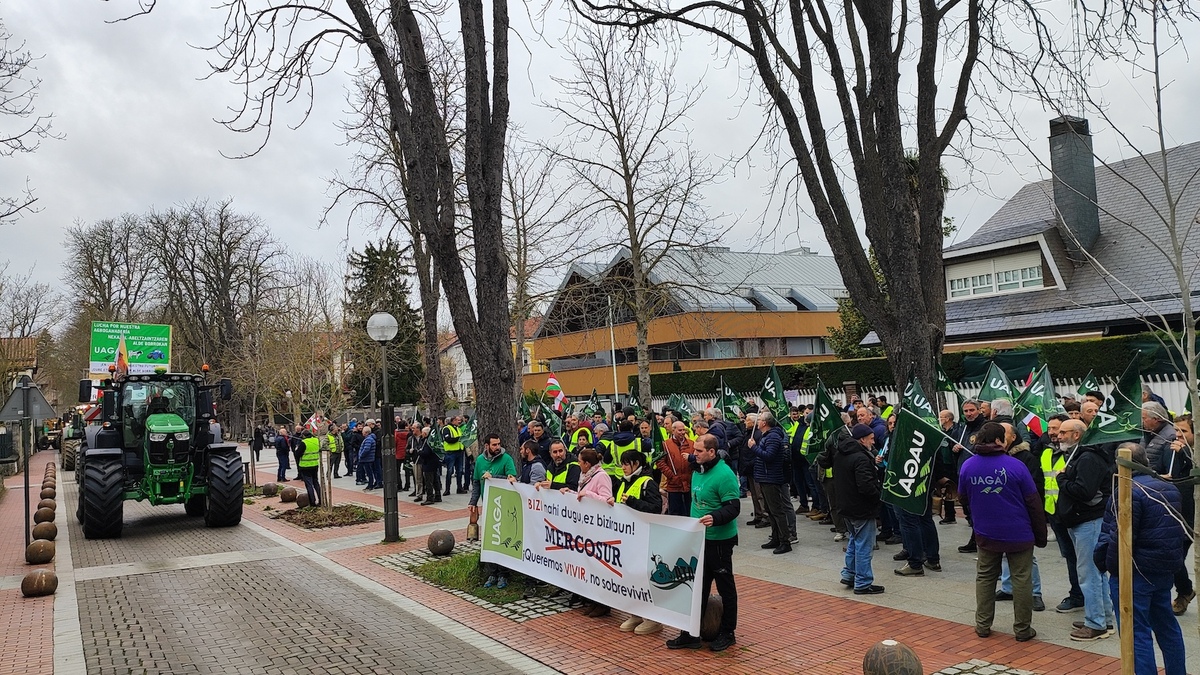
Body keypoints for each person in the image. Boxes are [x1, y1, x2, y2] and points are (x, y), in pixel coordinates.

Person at [1095, 442, 1188, 675]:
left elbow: (1120, 537)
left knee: (1136, 633)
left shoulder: (1128, 490)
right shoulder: (1167, 487)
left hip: (1135, 570)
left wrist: (1111, 568)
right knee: (1167, 627)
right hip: (1162, 570)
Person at [958, 422, 1046, 641]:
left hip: (986, 532)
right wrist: (1040, 533)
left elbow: (963, 498)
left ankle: (983, 625)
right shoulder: (1016, 466)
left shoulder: (968, 466)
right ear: (999, 441)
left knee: (986, 578)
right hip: (1019, 532)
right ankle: (1022, 629)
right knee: (1022, 579)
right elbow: (1033, 502)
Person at [665, 433, 740, 652]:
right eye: (694, 450)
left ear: (711, 452)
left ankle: (728, 632)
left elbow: (734, 507)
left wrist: (716, 517)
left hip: (719, 541)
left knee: (726, 588)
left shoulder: (724, 474)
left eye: (698, 451)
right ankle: (691, 633)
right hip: (698, 540)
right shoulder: (698, 469)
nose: (693, 454)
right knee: (697, 587)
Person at [1056, 418, 1116, 641]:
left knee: (1089, 574)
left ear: (1077, 435)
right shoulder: (1081, 455)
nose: (1058, 436)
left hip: (1088, 522)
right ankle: (1103, 618)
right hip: (1083, 520)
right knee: (1095, 573)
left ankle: (1096, 623)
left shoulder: (1088, 457)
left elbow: (1084, 491)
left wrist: (1062, 479)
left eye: (1063, 432)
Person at [994, 422, 1046, 612]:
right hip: (1002, 513)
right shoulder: (995, 457)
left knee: (1027, 556)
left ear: (1013, 437)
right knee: (1005, 552)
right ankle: (1008, 587)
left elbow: (1034, 488)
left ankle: (1035, 593)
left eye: (1003, 433)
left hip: (1021, 513)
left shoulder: (1026, 458)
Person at [611, 450, 664, 635]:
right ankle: (635, 613)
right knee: (630, 576)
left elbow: (656, 508)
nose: (623, 467)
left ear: (635, 464)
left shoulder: (647, 482)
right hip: (626, 539)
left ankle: (653, 619)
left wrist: (633, 502)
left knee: (644, 577)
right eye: (622, 464)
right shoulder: (624, 482)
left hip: (643, 538)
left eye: (626, 464)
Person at [561, 448, 614, 618]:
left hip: (599, 528)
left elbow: (607, 501)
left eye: (580, 461)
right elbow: (581, 495)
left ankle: (604, 603)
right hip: (586, 527)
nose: (578, 464)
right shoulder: (586, 475)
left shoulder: (601, 476)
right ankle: (593, 600)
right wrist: (571, 494)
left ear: (587, 464)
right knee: (589, 565)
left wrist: (588, 493)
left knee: (600, 566)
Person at [835, 423, 884, 595]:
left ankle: (849, 574)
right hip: (861, 508)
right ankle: (863, 582)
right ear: (862, 439)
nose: (873, 442)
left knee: (854, 542)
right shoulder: (861, 458)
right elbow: (866, 486)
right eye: (871, 439)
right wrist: (878, 495)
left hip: (846, 506)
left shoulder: (841, 454)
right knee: (864, 545)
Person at [1159, 414, 1195, 615]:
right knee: (1173, 557)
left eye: (1184, 431)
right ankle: (1185, 591)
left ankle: (1184, 591)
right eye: (1176, 431)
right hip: (1174, 509)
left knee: (1176, 556)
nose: (1178, 435)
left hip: (1191, 513)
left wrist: (1186, 455)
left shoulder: (1191, 452)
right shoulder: (1170, 448)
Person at [471, 433, 516, 584]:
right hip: (488, 505)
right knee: (489, 540)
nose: (497, 447)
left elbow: (513, 480)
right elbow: (476, 482)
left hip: (504, 505)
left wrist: (495, 477)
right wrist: (473, 502)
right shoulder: (479, 460)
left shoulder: (506, 459)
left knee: (503, 540)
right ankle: (492, 573)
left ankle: (504, 574)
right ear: (486, 446)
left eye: (498, 444)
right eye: (494, 445)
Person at [751, 411, 791, 554]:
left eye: (760, 419)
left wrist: (754, 447)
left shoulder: (773, 437)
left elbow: (769, 456)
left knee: (777, 511)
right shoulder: (766, 436)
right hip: (764, 477)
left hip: (771, 478)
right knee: (770, 510)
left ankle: (785, 541)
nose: (758, 422)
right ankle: (776, 537)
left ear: (765, 423)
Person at [658, 421, 694, 516]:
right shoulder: (666, 444)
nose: (682, 432)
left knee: (688, 511)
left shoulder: (691, 444)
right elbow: (661, 463)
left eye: (684, 430)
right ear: (673, 431)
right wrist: (672, 476)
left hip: (689, 484)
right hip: (673, 485)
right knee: (675, 513)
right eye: (680, 430)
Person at [417, 426, 442, 504]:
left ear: (425, 433)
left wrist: (419, 452)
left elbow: (426, 453)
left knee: (429, 482)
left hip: (428, 464)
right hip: (434, 463)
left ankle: (430, 498)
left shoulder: (427, 442)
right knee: (435, 481)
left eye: (422, 433)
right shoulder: (433, 441)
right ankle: (438, 496)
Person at [442, 415, 467, 495]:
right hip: (451, 452)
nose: (459, 422)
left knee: (459, 471)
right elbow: (448, 439)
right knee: (450, 471)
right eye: (457, 420)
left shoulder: (458, 429)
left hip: (459, 452)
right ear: (453, 421)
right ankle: (447, 489)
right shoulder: (446, 428)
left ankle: (459, 488)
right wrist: (459, 438)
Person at [297, 430, 322, 507]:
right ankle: (321, 500)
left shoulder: (304, 442)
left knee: (309, 485)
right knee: (316, 483)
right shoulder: (316, 440)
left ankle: (312, 502)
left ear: (303, 436)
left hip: (305, 466)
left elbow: (297, 454)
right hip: (315, 465)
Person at [358, 425, 380, 491]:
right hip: (368, 458)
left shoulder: (369, 439)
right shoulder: (370, 438)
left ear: (366, 432)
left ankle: (370, 485)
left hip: (367, 459)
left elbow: (366, 449)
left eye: (363, 432)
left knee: (369, 473)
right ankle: (371, 484)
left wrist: (361, 455)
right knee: (370, 472)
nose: (362, 433)